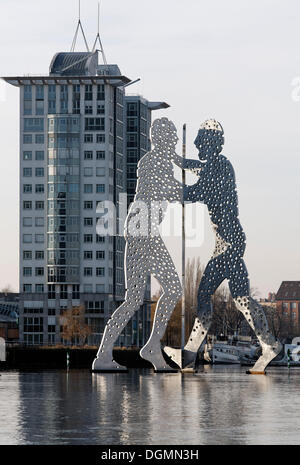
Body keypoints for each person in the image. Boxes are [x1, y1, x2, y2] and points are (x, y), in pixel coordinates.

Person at [164, 119, 282, 374]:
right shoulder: (220, 165)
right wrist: (176, 159)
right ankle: (269, 344)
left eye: (200, 140)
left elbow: (192, 193)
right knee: (241, 299)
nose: (195, 144)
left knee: (204, 294)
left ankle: (189, 354)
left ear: (210, 142)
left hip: (227, 244)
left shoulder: (218, 168)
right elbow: (197, 167)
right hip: (231, 241)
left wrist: (163, 186)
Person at [92, 118, 183, 372]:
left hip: (144, 233)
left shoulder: (161, 162)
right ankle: (146, 348)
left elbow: (176, 187)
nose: (175, 141)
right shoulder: (153, 163)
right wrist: (203, 190)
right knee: (163, 291)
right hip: (143, 234)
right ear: (162, 139)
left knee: (136, 298)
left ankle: (110, 354)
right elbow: (176, 192)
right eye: (172, 137)